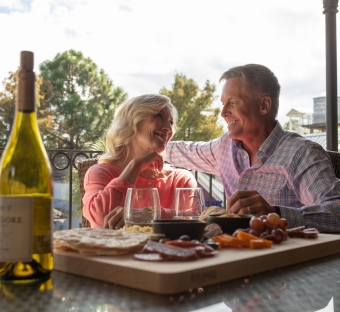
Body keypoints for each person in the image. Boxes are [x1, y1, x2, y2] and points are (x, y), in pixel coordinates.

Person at [165, 64, 340, 233]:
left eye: (232, 102)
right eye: (223, 103)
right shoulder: (224, 147)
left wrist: (276, 215)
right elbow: (183, 151)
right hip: (238, 252)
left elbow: (336, 212)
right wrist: (147, 145)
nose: (223, 113)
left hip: (291, 258)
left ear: (264, 105)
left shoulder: (301, 153)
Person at [82, 94, 197, 229]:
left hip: (169, 250)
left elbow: (196, 220)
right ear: (132, 122)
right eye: (159, 116)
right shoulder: (101, 172)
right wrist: (136, 165)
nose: (169, 129)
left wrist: (146, 215)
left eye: (171, 122)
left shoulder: (180, 179)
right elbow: (102, 221)